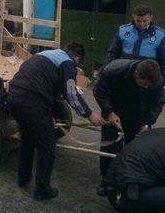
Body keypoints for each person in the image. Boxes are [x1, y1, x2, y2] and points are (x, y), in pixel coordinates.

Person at [8, 42, 106, 200]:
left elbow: (47, 83)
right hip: (33, 102)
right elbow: (71, 93)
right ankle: (42, 190)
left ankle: (23, 177)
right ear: (77, 58)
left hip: (14, 96)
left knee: (27, 138)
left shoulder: (45, 55)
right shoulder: (67, 62)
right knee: (47, 146)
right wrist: (89, 114)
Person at [93, 59, 163, 195]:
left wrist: (148, 123)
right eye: (144, 84)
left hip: (139, 114)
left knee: (136, 148)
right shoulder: (114, 71)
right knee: (111, 144)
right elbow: (99, 90)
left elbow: (157, 103)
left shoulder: (156, 81)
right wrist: (110, 112)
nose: (147, 87)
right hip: (115, 109)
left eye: (150, 85)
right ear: (136, 75)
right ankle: (107, 180)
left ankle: (131, 180)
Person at [104, 5, 165, 86]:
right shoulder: (123, 31)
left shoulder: (160, 35)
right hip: (124, 74)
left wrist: (164, 83)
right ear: (134, 17)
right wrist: (106, 71)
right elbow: (113, 53)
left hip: (146, 79)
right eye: (138, 21)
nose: (142, 24)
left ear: (151, 18)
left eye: (145, 21)